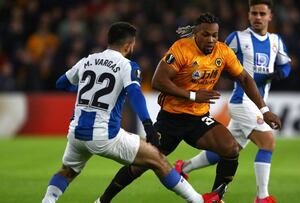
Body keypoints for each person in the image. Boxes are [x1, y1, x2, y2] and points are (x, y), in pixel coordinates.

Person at [96, 13, 282, 203]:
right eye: (206, 35)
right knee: (139, 166)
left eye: (215, 35)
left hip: (198, 119)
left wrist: (264, 111)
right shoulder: (181, 49)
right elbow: (158, 81)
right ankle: (102, 200)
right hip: (171, 119)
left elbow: (244, 78)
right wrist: (193, 95)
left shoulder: (223, 52)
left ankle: (216, 197)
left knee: (230, 148)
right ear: (195, 33)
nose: (211, 40)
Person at [41, 22, 226, 203]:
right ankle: (198, 201)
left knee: (67, 172)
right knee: (157, 159)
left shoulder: (87, 61)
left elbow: (60, 84)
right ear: (129, 45)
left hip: (76, 134)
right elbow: (136, 95)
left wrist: (82, 91)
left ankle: (48, 201)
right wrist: (148, 125)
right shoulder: (126, 65)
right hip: (105, 135)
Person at [175, 1, 292, 203]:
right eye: (254, 13)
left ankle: (183, 167)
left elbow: (286, 65)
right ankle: (262, 197)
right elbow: (217, 59)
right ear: (248, 15)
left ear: (270, 16)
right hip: (242, 101)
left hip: (258, 101)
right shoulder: (238, 38)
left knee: (230, 149)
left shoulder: (275, 41)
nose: (258, 17)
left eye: (262, 13)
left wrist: (279, 73)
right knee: (268, 143)